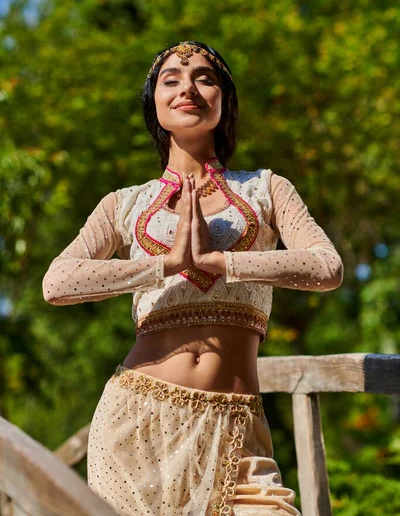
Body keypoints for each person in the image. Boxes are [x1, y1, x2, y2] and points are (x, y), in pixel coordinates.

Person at [42, 40, 344, 516]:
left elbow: (327, 267)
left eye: (206, 78)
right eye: (172, 79)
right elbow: (57, 283)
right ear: (155, 102)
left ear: (224, 101)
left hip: (237, 429)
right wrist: (165, 265)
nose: (189, 88)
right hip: (136, 425)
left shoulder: (265, 188)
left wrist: (222, 262)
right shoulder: (124, 204)